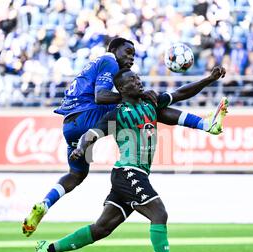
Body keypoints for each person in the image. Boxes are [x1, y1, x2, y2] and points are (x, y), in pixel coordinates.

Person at [27, 68, 229, 252]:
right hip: (127, 172)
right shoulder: (116, 114)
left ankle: (48, 249)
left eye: (138, 78)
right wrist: (82, 147)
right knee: (159, 213)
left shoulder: (150, 103)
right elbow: (93, 133)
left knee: (101, 229)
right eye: (132, 80)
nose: (138, 82)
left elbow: (181, 93)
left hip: (135, 174)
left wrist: (209, 79)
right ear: (121, 88)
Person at [22, 37, 227, 237]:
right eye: (128, 52)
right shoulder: (109, 60)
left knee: (76, 175)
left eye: (134, 55)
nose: (131, 58)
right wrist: (136, 96)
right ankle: (204, 124)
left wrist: (82, 148)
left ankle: (44, 204)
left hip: (70, 125)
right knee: (149, 105)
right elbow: (100, 96)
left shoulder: (95, 65)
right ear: (115, 49)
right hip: (88, 116)